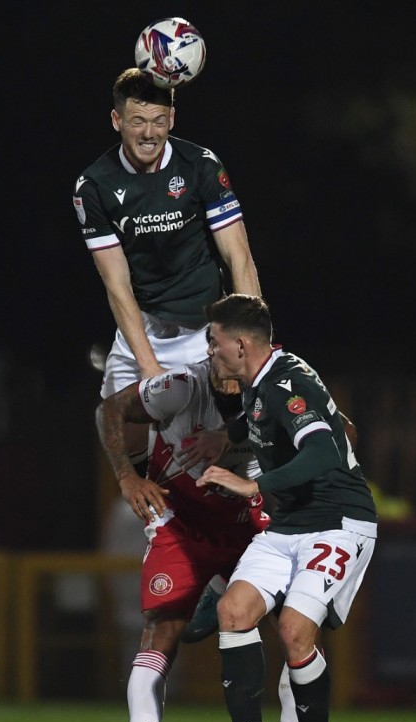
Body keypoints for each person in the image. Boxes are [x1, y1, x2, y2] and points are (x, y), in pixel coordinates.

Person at [187, 294, 378, 722]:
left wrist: (254, 485)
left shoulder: (284, 383)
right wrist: (225, 436)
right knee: (234, 610)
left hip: (338, 520)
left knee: (294, 631)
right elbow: (261, 418)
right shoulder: (259, 381)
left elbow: (324, 451)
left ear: (241, 345)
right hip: (288, 524)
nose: (210, 350)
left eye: (214, 341)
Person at [96, 357, 303, 722]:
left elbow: (345, 432)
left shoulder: (279, 384)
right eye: (216, 346)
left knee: (294, 628)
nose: (225, 360)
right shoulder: (181, 386)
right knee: (162, 631)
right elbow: (110, 409)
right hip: (182, 521)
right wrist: (126, 478)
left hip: (248, 521)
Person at [75, 67, 261, 470]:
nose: (149, 133)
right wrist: (148, 368)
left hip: (203, 333)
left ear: (172, 120)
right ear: (117, 120)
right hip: (142, 331)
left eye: (159, 121)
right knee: (122, 445)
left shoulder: (201, 166)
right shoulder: (93, 186)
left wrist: (249, 345)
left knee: (221, 457)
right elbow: (116, 284)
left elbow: (239, 258)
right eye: (138, 121)